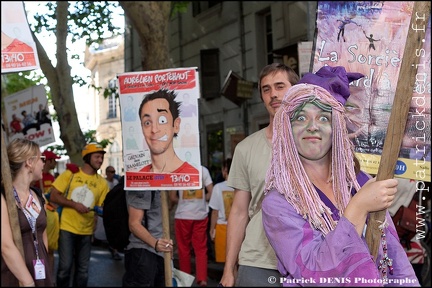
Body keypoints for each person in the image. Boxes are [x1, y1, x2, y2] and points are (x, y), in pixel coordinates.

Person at [262, 65, 419, 286]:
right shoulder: (279, 204)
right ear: (286, 128)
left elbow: (394, 258)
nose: (312, 127)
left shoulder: (360, 182)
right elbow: (315, 271)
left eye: (323, 118)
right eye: (300, 118)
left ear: (337, 127)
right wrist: (358, 207)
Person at [219, 63, 299, 287]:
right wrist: (228, 268)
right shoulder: (245, 148)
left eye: (280, 86)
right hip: (258, 261)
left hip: (308, 258)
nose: (273, 94)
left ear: (295, 90)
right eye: (266, 89)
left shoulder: (316, 145)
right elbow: (239, 212)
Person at [49, 143, 110, 287]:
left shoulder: (102, 183)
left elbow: (102, 208)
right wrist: (74, 204)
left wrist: (101, 213)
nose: (100, 160)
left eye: (101, 157)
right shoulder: (71, 174)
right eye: (97, 157)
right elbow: (54, 196)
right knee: (65, 268)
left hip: (87, 231)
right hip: (67, 228)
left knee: (83, 271)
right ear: (87, 157)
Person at [1, 138, 54, 286]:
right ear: (29, 162)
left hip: (39, 270)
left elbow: (43, 236)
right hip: (14, 274)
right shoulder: (4, 197)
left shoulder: (39, 195)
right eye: (41, 158)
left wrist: (44, 270)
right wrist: (28, 282)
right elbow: (5, 246)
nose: (44, 163)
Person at [169, 165, 214, 287]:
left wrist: (183, 201)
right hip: (200, 215)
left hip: (183, 216)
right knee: (201, 248)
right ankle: (202, 279)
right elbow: (211, 191)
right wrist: (203, 200)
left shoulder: (178, 170)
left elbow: (172, 197)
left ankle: (185, 280)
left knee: (184, 249)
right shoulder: (203, 170)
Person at [138, 88, 199, 175]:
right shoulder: (139, 177)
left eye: (162, 120)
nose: (154, 130)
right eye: (147, 123)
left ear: (176, 125)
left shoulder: (191, 175)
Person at [122, 189, 174, 286]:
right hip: (142, 253)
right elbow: (134, 224)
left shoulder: (160, 185)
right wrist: (155, 243)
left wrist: (165, 246)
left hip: (159, 252)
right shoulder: (142, 185)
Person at [33, 150, 61, 277]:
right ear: (48, 161)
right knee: (38, 251)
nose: (55, 162)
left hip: (51, 217)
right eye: (54, 160)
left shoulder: (52, 178)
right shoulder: (34, 178)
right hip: (37, 218)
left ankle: (49, 278)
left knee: (50, 250)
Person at [93, 166, 122, 260]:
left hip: (115, 209)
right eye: (110, 171)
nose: (112, 173)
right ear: (107, 172)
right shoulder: (103, 183)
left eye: (114, 171)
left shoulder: (116, 182)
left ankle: (114, 248)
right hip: (105, 207)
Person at [209, 158, 233, 263]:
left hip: (222, 228)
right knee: (236, 260)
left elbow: (215, 212)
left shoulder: (218, 187)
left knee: (227, 262)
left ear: (224, 170)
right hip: (239, 227)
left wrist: (211, 229)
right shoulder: (241, 187)